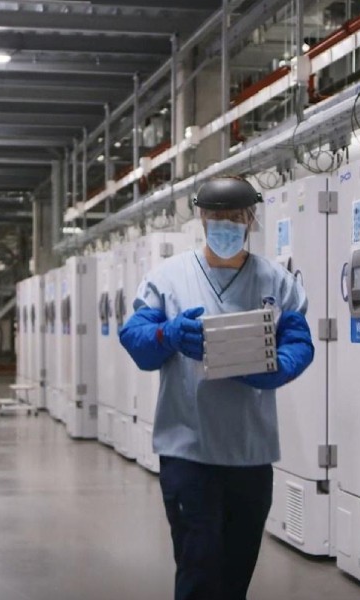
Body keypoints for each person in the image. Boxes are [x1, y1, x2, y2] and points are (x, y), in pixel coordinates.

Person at [119, 176, 314, 600]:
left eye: (235, 217)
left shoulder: (276, 282)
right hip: (189, 451)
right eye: (216, 217)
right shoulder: (167, 279)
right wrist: (167, 334)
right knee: (199, 566)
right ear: (202, 219)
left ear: (250, 220)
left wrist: (277, 366)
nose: (225, 225)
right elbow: (135, 339)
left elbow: (299, 341)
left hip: (250, 454)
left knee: (236, 571)